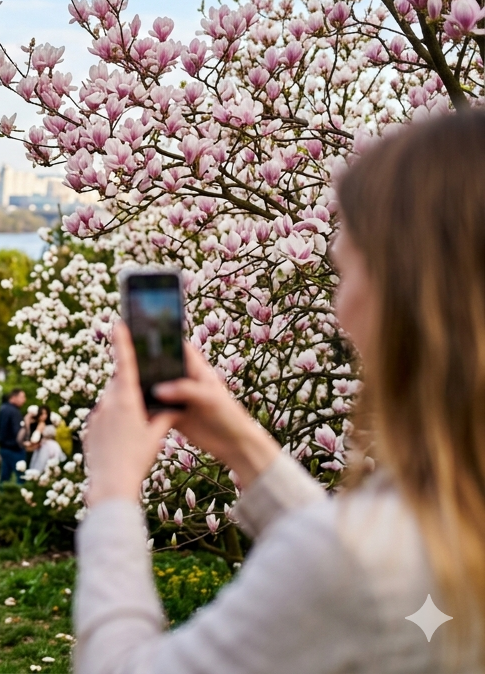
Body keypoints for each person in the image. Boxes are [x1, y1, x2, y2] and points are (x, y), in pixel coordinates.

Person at [75, 111, 485, 673]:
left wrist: (112, 492)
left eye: (347, 273)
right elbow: (375, 585)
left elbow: (351, 572)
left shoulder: (354, 561)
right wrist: (243, 444)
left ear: (410, 292)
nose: (339, 312)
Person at [0, 388, 27, 487]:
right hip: (14, 448)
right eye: (22, 397)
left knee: (5, 476)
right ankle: (19, 496)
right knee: (21, 475)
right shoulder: (13, 412)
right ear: (14, 397)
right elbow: (17, 432)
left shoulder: (3, 408)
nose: (24, 400)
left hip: (4, 447)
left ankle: (3, 495)